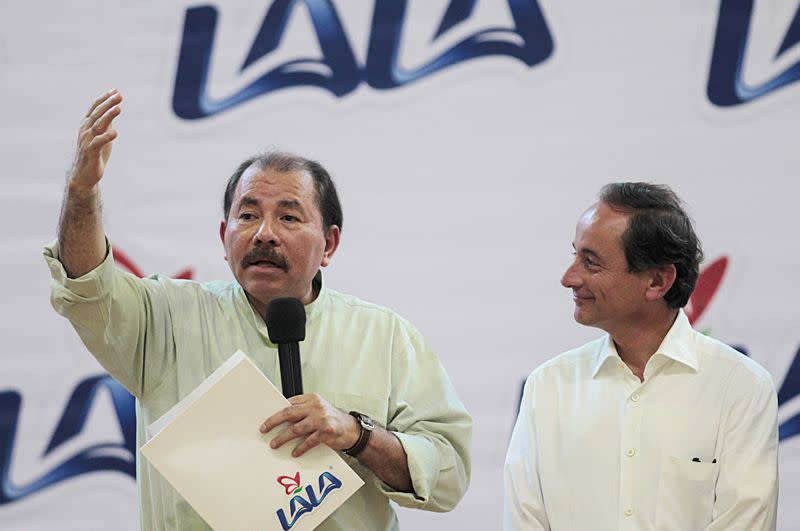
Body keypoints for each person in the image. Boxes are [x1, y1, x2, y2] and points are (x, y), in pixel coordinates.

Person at [45, 90, 472, 530]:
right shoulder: (166, 319)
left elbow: (449, 476)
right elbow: (86, 287)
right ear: (223, 236)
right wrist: (82, 192)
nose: (265, 234)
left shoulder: (384, 337)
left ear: (329, 244)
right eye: (248, 216)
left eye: (289, 217)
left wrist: (357, 434)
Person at [503, 182, 778, 530]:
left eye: (590, 262)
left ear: (657, 281)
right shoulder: (548, 387)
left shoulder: (740, 387)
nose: (568, 278)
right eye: (574, 255)